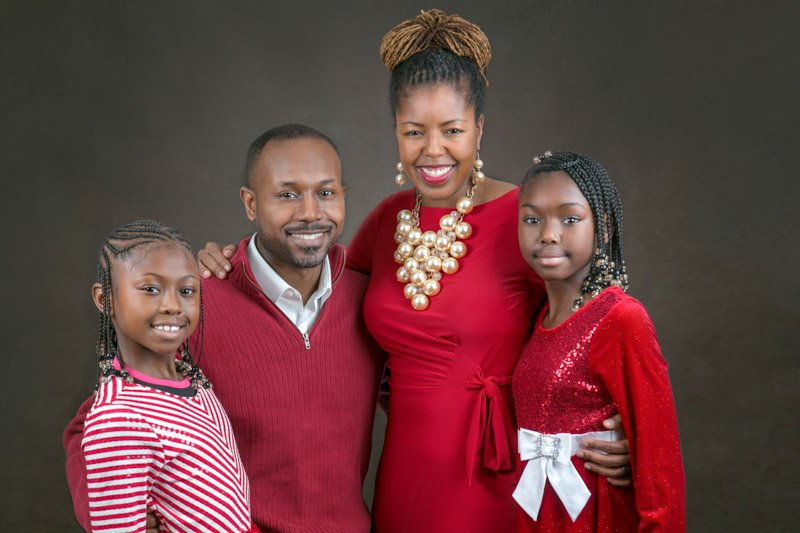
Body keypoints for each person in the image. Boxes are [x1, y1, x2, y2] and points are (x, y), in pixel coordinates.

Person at [199, 10, 632, 533]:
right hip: (405, 471)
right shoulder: (387, 220)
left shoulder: (525, 216)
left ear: (479, 129)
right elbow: (316, 277)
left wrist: (615, 427)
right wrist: (231, 262)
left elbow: (598, 321)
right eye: (413, 131)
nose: (432, 150)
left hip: (497, 471)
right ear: (396, 134)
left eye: (452, 129)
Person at [65, 125, 383, 532]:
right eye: (287, 194)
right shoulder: (195, 307)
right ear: (250, 203)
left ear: (343, 196)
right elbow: (95, 424)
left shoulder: (369, 299)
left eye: (325, 192)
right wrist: (121, 518)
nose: (310, 212)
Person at [512, 151, 685, 531]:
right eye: (532, 219)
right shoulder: (536, 316)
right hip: (537, 513)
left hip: (594, 516)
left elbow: (661, 465)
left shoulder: (620, 318)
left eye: (570, 219)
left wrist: (633, 451)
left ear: (603, 228)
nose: (548, 234)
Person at [81, 219, 257, 532]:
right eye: (151, 289)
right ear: (104, 298)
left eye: (187, 290)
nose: (173, 306)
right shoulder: (119, 419)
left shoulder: (191, 377)